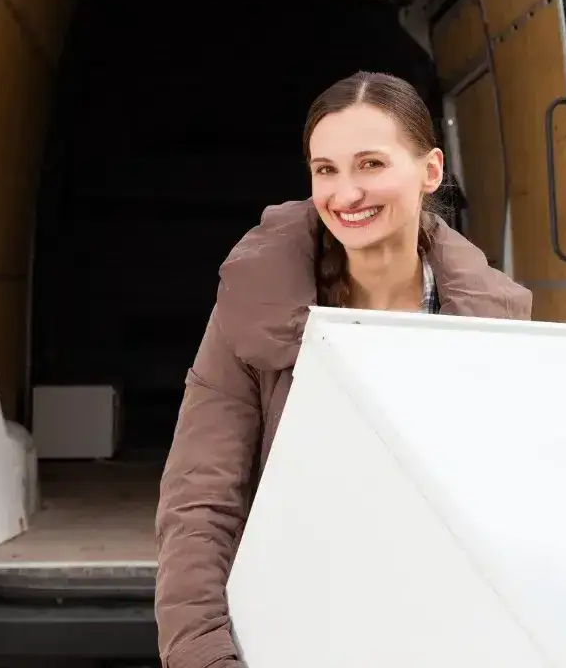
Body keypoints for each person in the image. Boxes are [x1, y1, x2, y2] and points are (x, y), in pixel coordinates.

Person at [154, 71, 532, 668]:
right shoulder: (253, 308)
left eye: (371, 165)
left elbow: (512, 516)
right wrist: (204, 657)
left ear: (431, 171)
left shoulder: (494, 322)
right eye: (325, 169)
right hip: (287, 625)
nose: (346, 193)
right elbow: (200, 504)